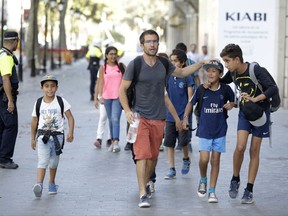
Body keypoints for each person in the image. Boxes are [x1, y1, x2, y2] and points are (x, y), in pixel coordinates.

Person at [119, 29, 208, 208]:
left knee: (153, 157)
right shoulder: (135, 64)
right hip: (140, 116)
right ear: (142, 44)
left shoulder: (164, 64)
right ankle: (142, 192)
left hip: (159, 118)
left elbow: (182, 73)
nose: (152, 44)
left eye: (155, 41)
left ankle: (147, 182)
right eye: (149, 41)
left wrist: (202, 63)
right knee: (142, 155)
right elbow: (122, 90)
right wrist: (127, 109)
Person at [219, 44, 279, 204]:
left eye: (227, 61)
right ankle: (235, 178)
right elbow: (219, 79)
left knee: (254, 150)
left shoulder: (256, 70)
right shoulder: (232, 73)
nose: (226, 65)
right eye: (224, 61)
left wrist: (256, 99)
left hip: (261, 113)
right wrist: (209, 72)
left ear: (237, 59)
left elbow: (273, 88)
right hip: (245, 112)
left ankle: (249, 190)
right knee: (240, 146)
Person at [183, 60, 235, 203]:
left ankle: (212, 191)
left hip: (220, 131)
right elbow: (190, 103)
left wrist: (232, 104)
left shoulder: (225, 89)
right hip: (205, 131)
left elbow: (235, 101)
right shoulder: (201, 89)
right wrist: (186, 117)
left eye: (214, 71)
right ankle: (203, 179)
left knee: (215, 161)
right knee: (204, 159)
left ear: (220, 73)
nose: (210, 73)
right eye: (208, 70)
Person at [31, 74, 74, 198]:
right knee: (42, 161)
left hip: (57, 137)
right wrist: (32, 138)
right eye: (47, 86)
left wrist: (71, 132)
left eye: (52, 86)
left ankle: (52, 183)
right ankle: (38, 185)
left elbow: (70, 118)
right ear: (42, 88)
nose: (50, 89)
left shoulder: (61, 101)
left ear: (57, 87)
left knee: (54, 163)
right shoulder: (38, 102)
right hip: (42, 137)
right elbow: (34, 121)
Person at [163, 49, 194, 180]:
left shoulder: (188, 77)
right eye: (171, 61)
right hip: (170, 115)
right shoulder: (167, 76)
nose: (173, 63)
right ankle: (172, 168)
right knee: (169, 143)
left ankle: (186, 159)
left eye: (175, 61)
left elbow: (190, 99)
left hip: (183, 115)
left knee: (183, 141)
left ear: (182, 63)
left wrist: (186, 116)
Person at [96, 46, 125, 153]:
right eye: (111, 54)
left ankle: (116, 142)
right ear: (106, 55)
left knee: (115, 118)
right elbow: (100, 83)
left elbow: (127, 80)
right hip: (107, 97)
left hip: (119, 97)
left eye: (114, 54)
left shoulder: (121, 66)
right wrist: (99, 97)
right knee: (111, 120)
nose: (113, 56)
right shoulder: (103, 67)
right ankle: (112, 142)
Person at [0, 31, 20, 169]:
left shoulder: (1, 53)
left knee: (2, 126)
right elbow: (6, 79)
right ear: (15, 41)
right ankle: (5, 158)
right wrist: (10, 100)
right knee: (11, 126)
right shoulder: (6, 57)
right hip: (4, 97)